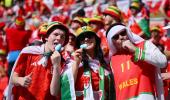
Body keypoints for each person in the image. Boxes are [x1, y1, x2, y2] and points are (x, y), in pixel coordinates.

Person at [7, 21, 69, 100]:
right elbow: (13, 78)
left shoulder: (63, 61)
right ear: (46, 37)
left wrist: (56, 65)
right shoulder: (29, 52)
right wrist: (20, 80)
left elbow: (54, 92)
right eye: (56, 34)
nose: (59, 38)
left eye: (62, 37)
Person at [51, 26, 115, 99]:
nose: (86, 39)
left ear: (96, 40)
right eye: (82, 38)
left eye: (89, 36)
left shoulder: (106, 62)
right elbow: (65, 86)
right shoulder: (71, 60)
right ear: (79, 44)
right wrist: (76, 63)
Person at [106, 23, 167, 100]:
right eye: (116, 37)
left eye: (123, 33)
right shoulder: (113, 60)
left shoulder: (145, 45)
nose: (121, 37)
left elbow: (163, 61)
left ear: (127, 33)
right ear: (112, 42)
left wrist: (135, 50)